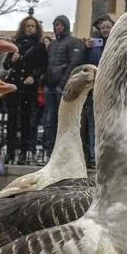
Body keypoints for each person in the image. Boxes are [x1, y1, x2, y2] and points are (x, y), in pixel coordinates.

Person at [2, 16, 46, 159]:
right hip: (14, 85)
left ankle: (23, 152)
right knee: (12, 120)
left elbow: (43, 65)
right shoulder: (15, 44)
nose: (30, 28)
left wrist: (33, 76)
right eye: (27, 26)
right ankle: (9, 152)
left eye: (32, 26)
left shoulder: (39, 46)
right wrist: (12, 60)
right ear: (23, 27)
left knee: (26, 120)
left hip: (28, 87)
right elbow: (6, 65)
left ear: (36, 28)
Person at [42, 15, 85, 157]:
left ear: (65, 26)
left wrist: (64, 83)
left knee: (65, 120)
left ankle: (64, 152)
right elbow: (48, 63)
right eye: (56, 25)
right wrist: (45, 79)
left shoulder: (74, 42)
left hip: (62, 86)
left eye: (60, 25)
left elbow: (74, 63)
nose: (58, 27)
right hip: (50, 86)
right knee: (49, 120)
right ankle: (49, 152)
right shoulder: (53, 45)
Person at [82, 15, 113, 165]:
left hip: (111, 90)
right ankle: (94, 157)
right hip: (94, 90)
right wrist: (86, 49)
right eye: (103, 28)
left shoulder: (117, 44)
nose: (105, 29)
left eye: (108, 27)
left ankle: (108, 157)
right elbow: (83, 62)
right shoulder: (93, 45)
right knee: (93, 125)